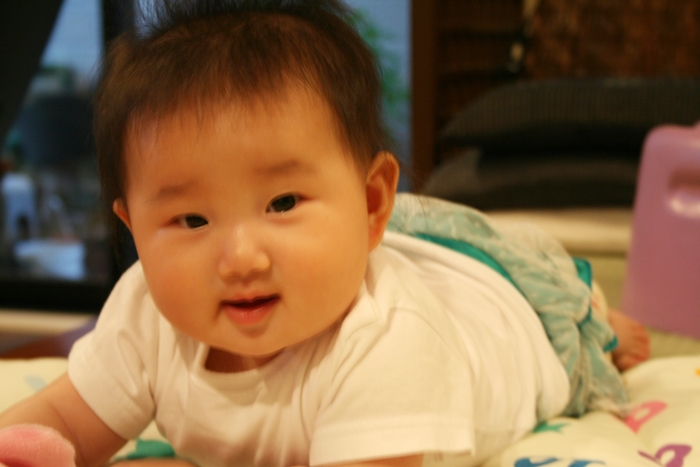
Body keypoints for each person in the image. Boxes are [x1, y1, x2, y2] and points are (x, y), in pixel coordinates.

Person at [0, 1, 650, 466]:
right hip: (374, 248)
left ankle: (599, 316)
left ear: (372, 201)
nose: (240, 258)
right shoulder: (147, 311)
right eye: (191, 220)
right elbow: (61, 420)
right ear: (134, 232)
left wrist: (586, 322)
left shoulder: (390, 342)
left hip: (495, 307)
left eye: (282, 202)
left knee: (551, 298)